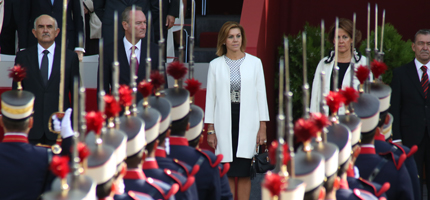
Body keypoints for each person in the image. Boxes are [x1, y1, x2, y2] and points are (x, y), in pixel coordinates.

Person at [204, 21, 270, 200]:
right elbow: (211, 99)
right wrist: (210, 130)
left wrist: (262, 126)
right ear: (223, 41)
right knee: (226, 171)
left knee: (244, 172)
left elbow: (261, 96)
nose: (235, 40)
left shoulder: (255, 63)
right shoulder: (215, 65)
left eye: (238, 36)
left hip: (248, 122)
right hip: (223, 120)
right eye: (231, 37)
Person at [13, 14, 80, 146]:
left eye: (49, 27)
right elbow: (17, 95)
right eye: (41, 27)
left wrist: (73, 127)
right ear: (34, 32)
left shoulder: (70, 57)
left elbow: (76, 94)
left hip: (58, 127)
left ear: (57, 32)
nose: (45, 30)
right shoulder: (22, 57)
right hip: (31, 128)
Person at [0, 82, 73, 199]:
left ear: (1, 122)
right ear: (31, 123)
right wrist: (68, 137)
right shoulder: (45, 158)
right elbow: (74, 176)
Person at [390, 29, 430, 200]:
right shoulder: (400, 74)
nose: (425, 47)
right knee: (413, 184)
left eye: (428, 44)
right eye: (421, 43)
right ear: (413, 47)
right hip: (410, 139)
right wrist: (396, 138)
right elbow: (394, 108)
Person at [99, 6, 158, 104]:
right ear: (125, 25)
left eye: (145, 22)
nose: (143, 27)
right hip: (120, 115)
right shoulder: (109, 51)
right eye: (138, 23)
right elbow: (102, 89)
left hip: (147, 114)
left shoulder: (154, 51)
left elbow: (162, 87)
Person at [310, 18, 367, 114]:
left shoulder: (363, 63)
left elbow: (368, 97)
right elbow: (315, 96)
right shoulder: (324, 64)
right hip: (327, 122)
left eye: (345, 37)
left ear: (352, 39)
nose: (341, 41)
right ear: (333, 40)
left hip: (352, 122)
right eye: (337, 37)